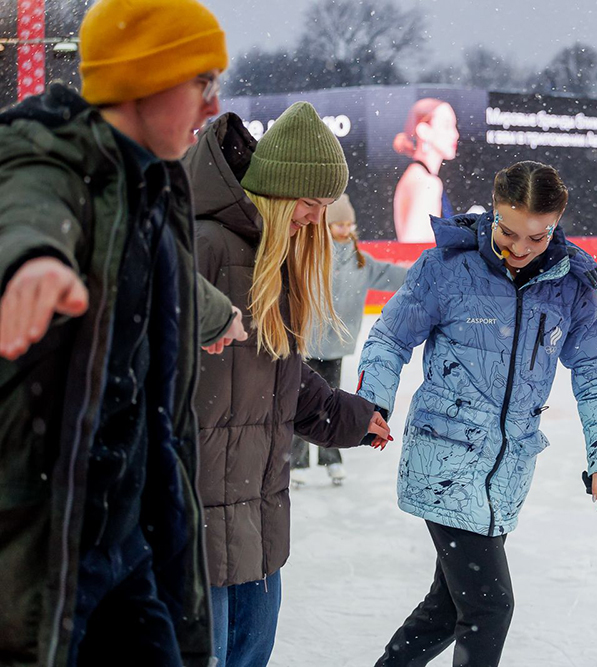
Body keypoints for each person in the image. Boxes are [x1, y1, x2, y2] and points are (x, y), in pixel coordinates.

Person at [0, 0, 247, 663]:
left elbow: (144, 275)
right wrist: (33, 262)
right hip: (41, 548)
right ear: (145, 78)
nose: (211, 104)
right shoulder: (49, 158)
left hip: (128, 537)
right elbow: (27, 211)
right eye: (201, 82)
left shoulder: (152, 186)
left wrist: (218, 313)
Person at [357, 161, 597, 667]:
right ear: (493, 211)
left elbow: (595, 370)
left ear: (557, 222)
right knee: (489, 607)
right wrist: (374, 401)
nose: (520, 249)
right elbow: (390, 337)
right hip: (443, 461)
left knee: (447, 607)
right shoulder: (446, 268)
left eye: (537, 237)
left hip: (506, 472)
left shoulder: (572, 286)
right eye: (508, 231)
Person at [184, 102, 392, 667]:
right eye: (309, 202)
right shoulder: (203, 245)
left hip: (254, 511)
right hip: (196, 519)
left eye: (325, 207)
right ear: (277, 190)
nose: (314, 218)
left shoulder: (269, 256)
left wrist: (344, 415)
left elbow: (276, 374)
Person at [291, 194, 408, 486]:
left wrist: (427, 273)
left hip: (335, 347)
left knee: (331, 401)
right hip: (307, 343)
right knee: (301, 401)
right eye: (338, 224)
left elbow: (394, 276)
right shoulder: (311, 254)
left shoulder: (360, 261)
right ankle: (297, 462)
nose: (344, 230)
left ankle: (331, 459)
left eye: (349, 224)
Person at [393, 98, 460, 242]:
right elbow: (413, 246)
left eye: (454, 126)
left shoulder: (419, 176)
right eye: (447, 125)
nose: (455, 134)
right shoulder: (426, 182)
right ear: (424, 131)